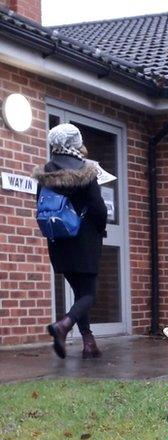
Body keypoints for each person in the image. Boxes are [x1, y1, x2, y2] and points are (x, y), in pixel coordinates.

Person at [35, 123, 108, 359]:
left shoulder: (46, 172)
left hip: (58, 242)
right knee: (88, 293)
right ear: (74, 144)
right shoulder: (86, 172)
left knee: (79, 292)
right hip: (84, 241)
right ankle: (63, 326)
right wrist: (101, 228)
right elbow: (98, 209)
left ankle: (89, 343)